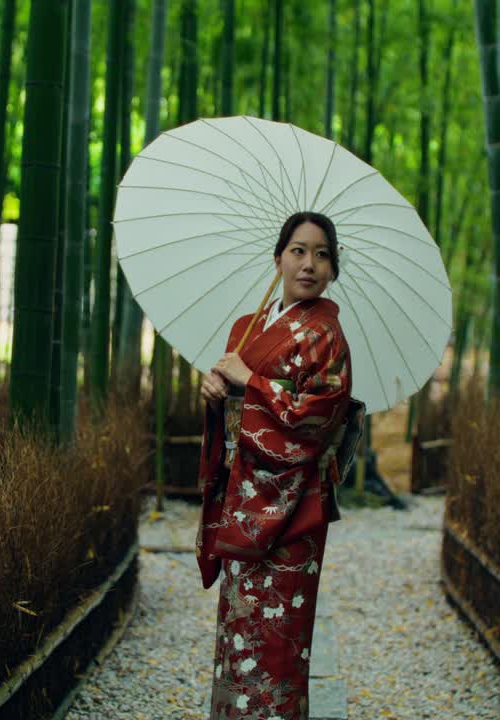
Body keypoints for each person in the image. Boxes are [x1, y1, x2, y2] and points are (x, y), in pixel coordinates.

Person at [196, 211, 353, 719]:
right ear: (278, 258)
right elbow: (230, 411)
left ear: (333, 268)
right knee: (239, 629)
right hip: (244, 501)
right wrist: (215, 393)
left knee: (279, 640)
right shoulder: (247, 328)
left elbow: (317, 418)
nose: (309, 264)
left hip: (294, 508)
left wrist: (252, 383)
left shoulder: (327, 335)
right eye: (299, 250)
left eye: (322, 254)